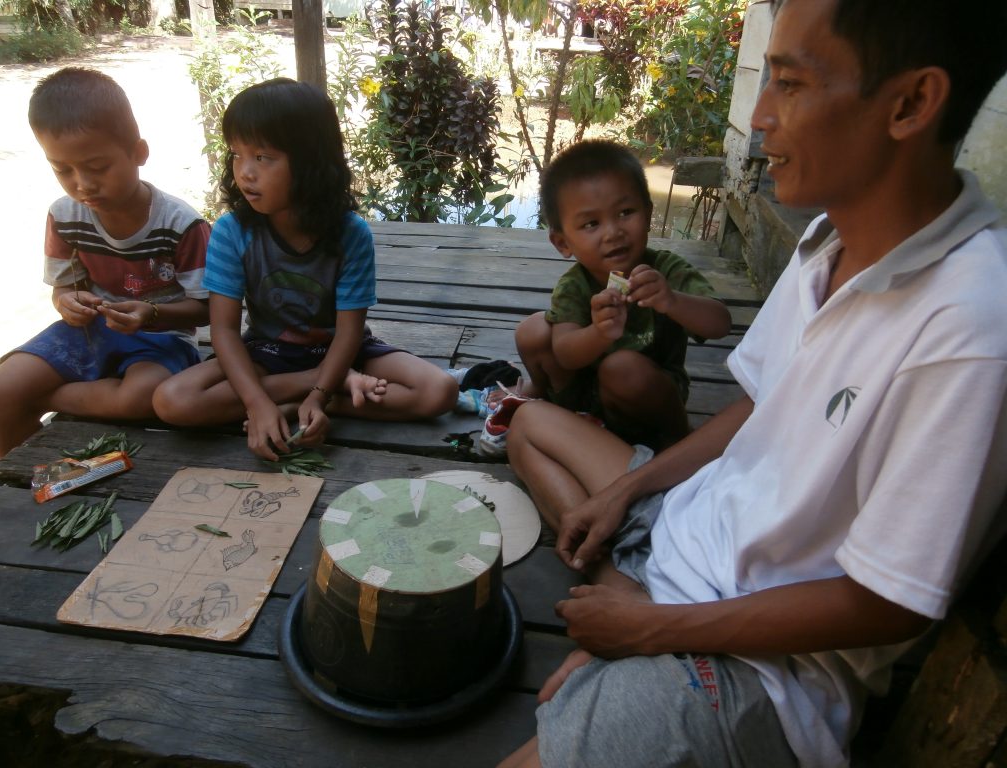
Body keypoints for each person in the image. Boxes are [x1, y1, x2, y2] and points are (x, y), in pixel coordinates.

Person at [499, 0, 1007, 766]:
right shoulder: (827, 241)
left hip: (760, 667)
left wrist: (652, 635)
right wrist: (625, 494)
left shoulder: (970, 328)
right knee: (529, 426)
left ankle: (626, 610)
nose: (761, 118)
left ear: (909, 104)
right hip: (691, 529)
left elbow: (888, 604)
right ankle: (622, 581)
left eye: (791, 83)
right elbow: (759, 407)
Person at [153, 78, 457, 460]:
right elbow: (225, 331)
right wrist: (257, 403)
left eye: (262, 157)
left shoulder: (350, 233)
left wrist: (317, 398)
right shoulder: (233, 231)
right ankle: (324, 389)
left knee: (440, 391)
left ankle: (308, 401)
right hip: (267, 352)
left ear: (311, 160)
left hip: (345, 352)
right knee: (171, 401)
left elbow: (348, 332)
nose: (244, 172)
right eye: (237, 154)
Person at [0, 67, 210, 460]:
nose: (82, 184)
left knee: (142, 398)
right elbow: (65, 287)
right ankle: (27, 479)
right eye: (62, 170)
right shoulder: (65, 215)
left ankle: (40, 400)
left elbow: (206, 307)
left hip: (162, 338)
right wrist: (66, 302)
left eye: (97, 167)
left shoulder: (180, 224)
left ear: (138, 153)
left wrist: (151, 314)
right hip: (88, 331)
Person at [482, 140, 731, 456]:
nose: (613, 232)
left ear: (648, 213)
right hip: (586, 391)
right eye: (591, 224)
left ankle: (678, 439)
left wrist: (672, 301)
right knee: (532, 330)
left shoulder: (665, 270)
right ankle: (547, 400)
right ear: (562, 243)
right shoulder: (575, 285)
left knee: (621, 367)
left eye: (626, 212)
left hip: (646, 395)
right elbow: (566, 354)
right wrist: (599, 333)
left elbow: (720, 324)